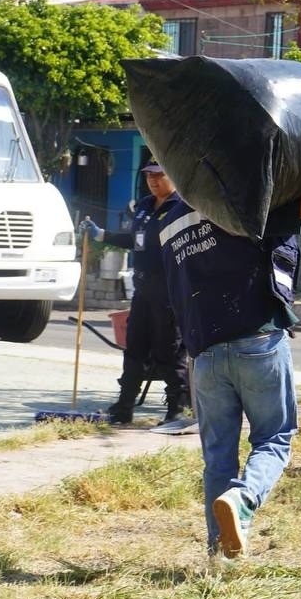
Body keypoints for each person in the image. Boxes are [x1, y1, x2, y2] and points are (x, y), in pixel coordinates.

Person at [158, 104, 301, 560]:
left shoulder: (169, 218)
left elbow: (174, 289)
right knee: (275, 437)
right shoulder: (248, 192)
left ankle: (220, 553)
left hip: (203, 352)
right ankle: (244, 500)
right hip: (257, 338)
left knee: (217, 455)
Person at [80, 162, 192, 432]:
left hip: (169, 292)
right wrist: (101, 234)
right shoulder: (144, 206)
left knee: (169, 351)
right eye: (149, 176)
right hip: (143, 291)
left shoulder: (183, 207)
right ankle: (124, 407)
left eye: (159, 175)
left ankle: (176, 409)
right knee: (135, 348)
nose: (153, 181)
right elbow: (135, 240)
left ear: (173, 176)